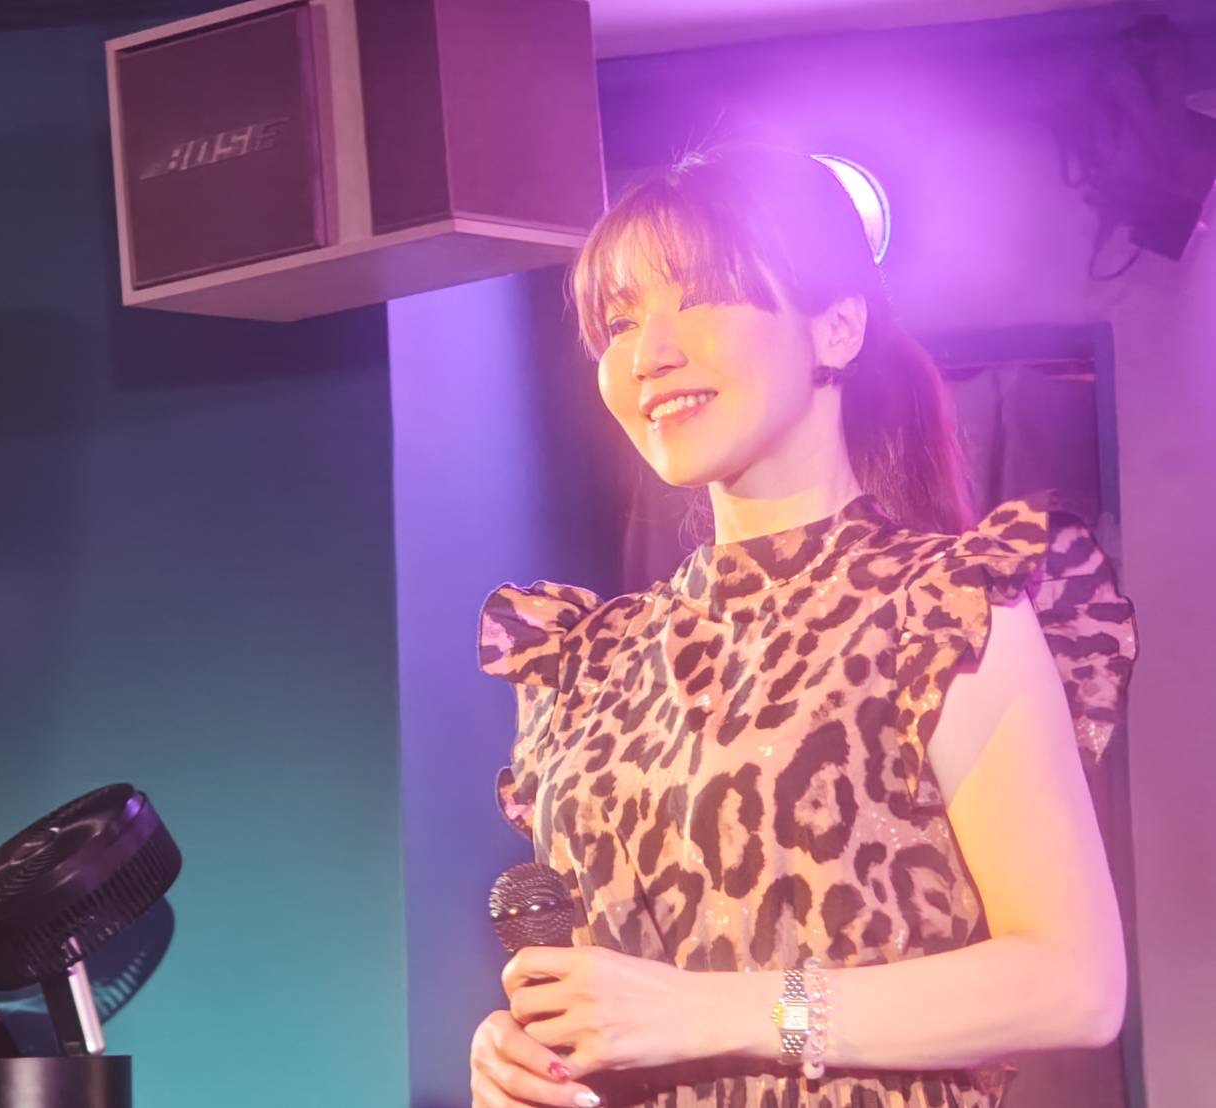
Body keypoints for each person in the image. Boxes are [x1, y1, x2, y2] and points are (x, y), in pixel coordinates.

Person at [469, 143, 1138, 1108]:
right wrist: (523, 1056)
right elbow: (619, 995)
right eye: (618, 323)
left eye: (700, 298)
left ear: (835, 328)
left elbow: (1073, 985)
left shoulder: (939, 607)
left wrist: (717, 1012)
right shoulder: (590, 661)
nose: (648, 354)